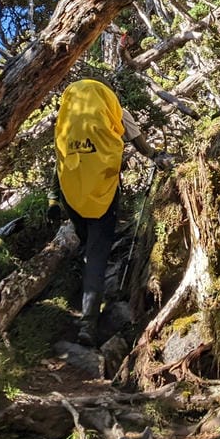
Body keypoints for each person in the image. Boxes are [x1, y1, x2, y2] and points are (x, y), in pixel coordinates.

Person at [47, 78, 170, 346]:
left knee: (87, 243)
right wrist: (156, 156)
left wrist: (53, 199)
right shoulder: (118, 113)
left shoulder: (67, 119)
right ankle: (88, 324)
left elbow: (60, 159)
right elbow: (143, 148)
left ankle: (81, 293)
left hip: (72, 192)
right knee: (98, 252)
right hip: (103, 192)